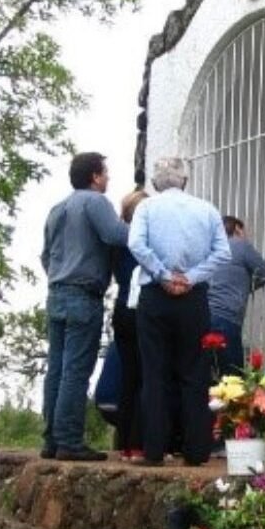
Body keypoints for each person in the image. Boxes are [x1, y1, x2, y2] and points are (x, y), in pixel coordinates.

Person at [128, 157, 231, 467]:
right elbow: (222, 252)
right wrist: (192, 277)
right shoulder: (207, 209)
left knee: (154, 373)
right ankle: (197, 449)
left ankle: (154, 449)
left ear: (155, 183)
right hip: (194, 297)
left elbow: (136, 244)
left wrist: (162, 274)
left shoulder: (146, 208)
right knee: (194, 372)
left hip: (154, 295)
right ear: (185, 180)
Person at [40, 152, 128, 461]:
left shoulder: (57, 209)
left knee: (56, 368)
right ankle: (69, 441)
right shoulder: (95, 202)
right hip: (83, 295)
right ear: (94, 176)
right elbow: (116, 235)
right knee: (76, 371)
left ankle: (51, 440)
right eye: (105, 172)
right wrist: (145, 228)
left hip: (56, 293)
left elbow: (46, 256)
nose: (108, 177)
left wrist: (61, 275)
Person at [207, 215, 265, 377]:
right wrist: (245, 287)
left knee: (208, 372)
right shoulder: (240, 245)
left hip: (204, 315)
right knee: (233, 375)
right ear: (237, 229)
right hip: (227, 317)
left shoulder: (210, 249)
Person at [112, 187, 148, 460]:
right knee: (146, 377)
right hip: (141, 310)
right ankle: (139, 443)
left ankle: (123, 441)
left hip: (120, 309)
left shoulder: (117, 241)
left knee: (128, 378)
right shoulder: (141, 241)